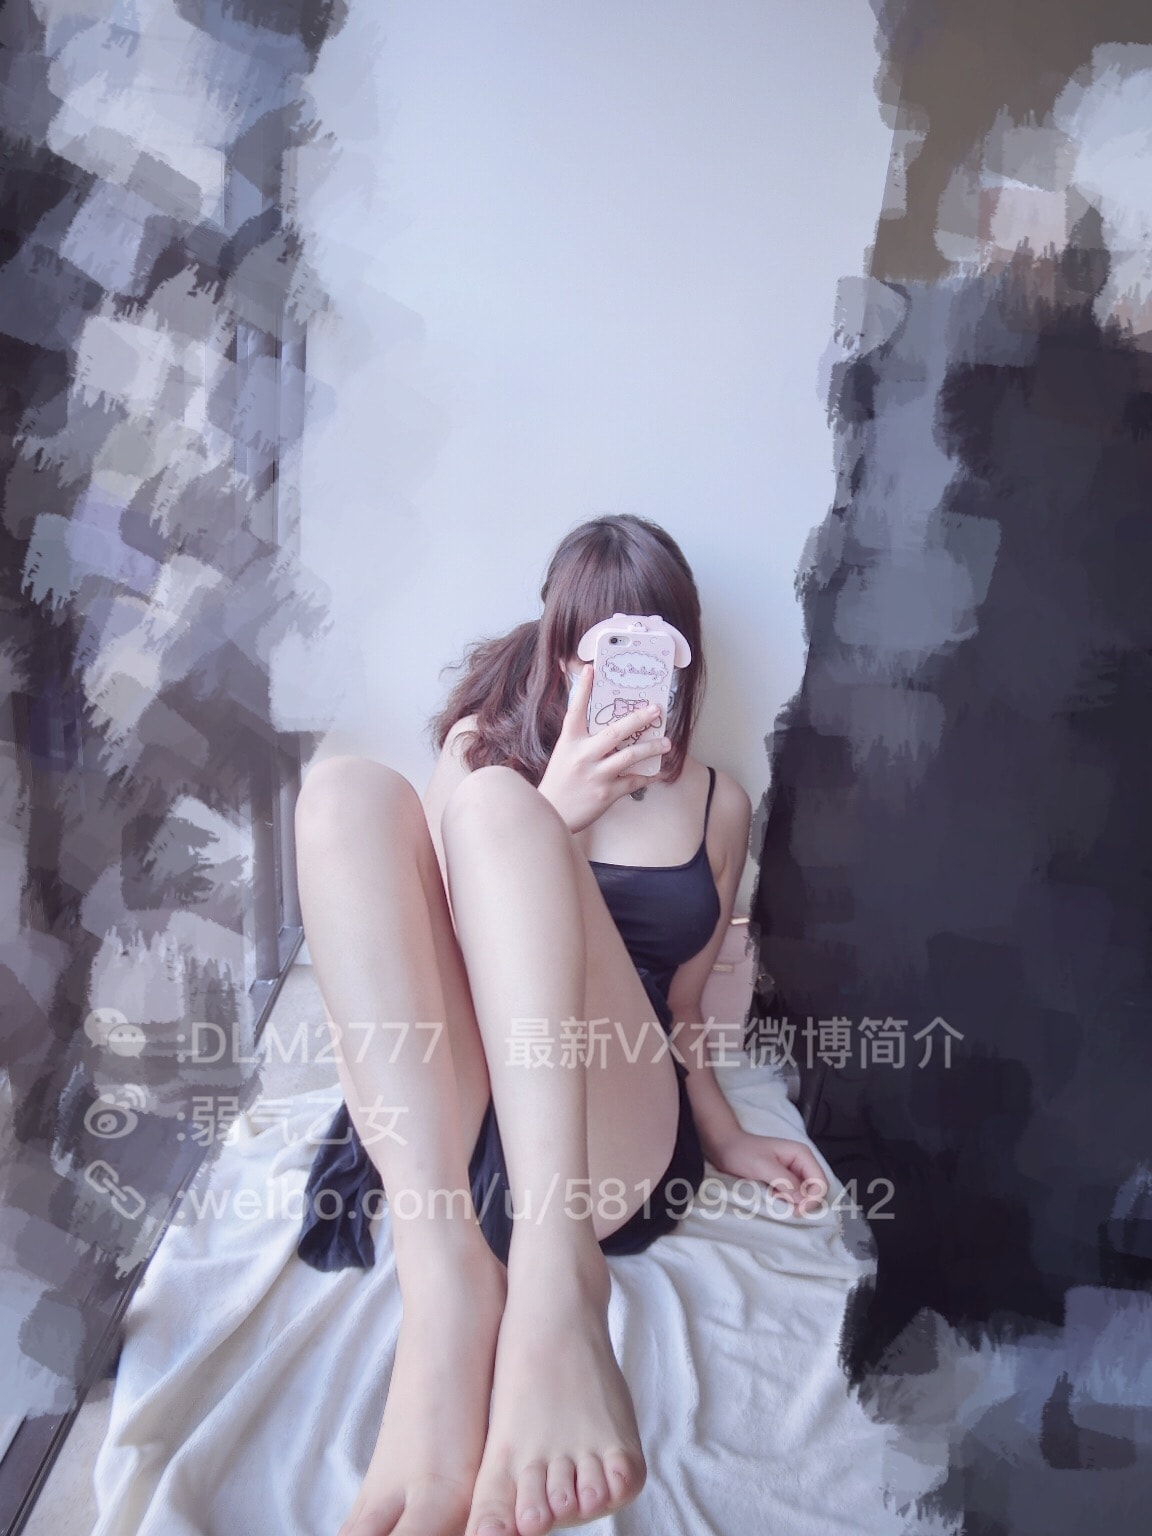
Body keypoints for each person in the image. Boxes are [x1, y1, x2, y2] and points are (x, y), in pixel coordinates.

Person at [292, 514, 828, 1536]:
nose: (618, 675)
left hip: (598, 1139)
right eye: (598, 647)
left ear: (683, 656)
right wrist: (555, 811)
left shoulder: (717, 806)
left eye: (649, 648)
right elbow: (415, 964)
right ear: (560, 646)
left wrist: (726, 1133)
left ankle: (555, 1283)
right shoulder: (483, 748)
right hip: (455, 1130)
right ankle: (447, 1295)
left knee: (498, 810)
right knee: (342, 793)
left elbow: (680, 1013)